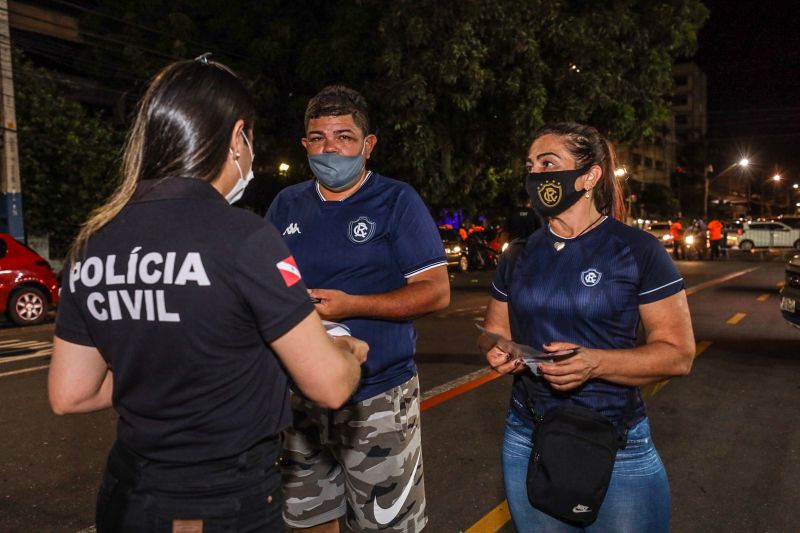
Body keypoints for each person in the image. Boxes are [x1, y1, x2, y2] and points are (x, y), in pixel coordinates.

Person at [48, 58, 368, 532]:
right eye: (251, 139)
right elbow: (330, 385)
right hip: (219, 501)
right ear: (237, 137)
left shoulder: (93, 240)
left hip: (128, 496)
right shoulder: (245, 238)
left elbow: (71, 394)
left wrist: (167, 371)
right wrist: (346, 350)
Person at [478, 122, 695, 532]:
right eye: (531, 165)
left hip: (615, 442)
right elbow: (491, 330)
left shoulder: (638, 251)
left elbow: (678, 354)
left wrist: (594, 363)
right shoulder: (518, 255)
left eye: (548, 163)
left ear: (590, 175)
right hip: (529, 437)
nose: (537, 175)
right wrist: (498, 349)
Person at [266, 85, 450, 533]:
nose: (330, 148)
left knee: (386, 525)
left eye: (344, 136)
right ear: (304, 144)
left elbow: (435, 291)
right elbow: (272, 282)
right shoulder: (286, 204)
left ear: (368, 146)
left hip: (378, 394)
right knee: (308, 518)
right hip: (300, 396)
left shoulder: (396, 201)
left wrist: (351, 306)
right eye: (318, 137)